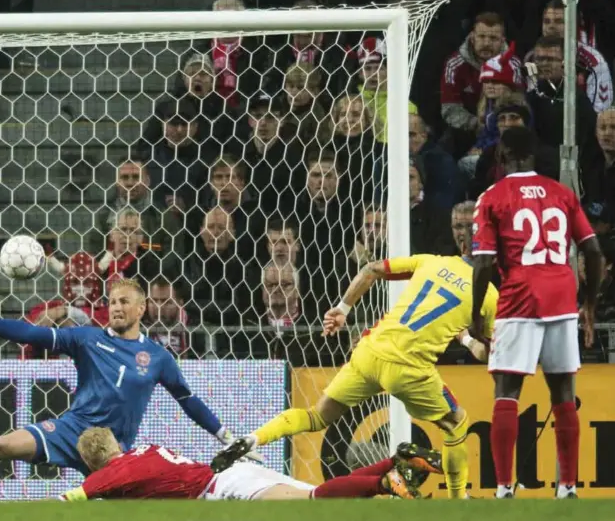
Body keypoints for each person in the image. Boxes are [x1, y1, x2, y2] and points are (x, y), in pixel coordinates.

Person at [211, 205, 497, 500]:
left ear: (463, 246)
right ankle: (458, 501)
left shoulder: (430, 262)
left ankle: (253, 438)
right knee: (456, 422)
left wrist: (343, 309)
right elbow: (483, 352)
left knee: (316, 416)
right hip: (409, 369)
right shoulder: (489, 296)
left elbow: (371, 268)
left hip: (369, 351)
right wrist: (478, 343)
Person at [0, 279, 252, 500]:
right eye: (112, 301)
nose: (116, 307)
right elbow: (34, 334)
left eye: (125, 301)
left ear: (142, 308)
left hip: (113, 448)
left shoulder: (158, 357)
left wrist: (225, 436)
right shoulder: (87, 339)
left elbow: (188, 400)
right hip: (72, 430)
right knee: (3, 445)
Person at [470, 126, 605, 500]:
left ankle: (502, 488)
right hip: (562, 294)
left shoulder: (492, 197)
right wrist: (590, 301)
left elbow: (482, 262)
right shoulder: (562, 193)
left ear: (501, 157)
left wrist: (476, 315)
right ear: (534, 155)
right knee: (563, 390)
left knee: (507, 390)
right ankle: (567, 487)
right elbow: (593, 251)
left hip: (520, 297)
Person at [59, 427, 429, 501]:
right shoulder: (145, 449)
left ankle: (387, 482)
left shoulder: (108, 475)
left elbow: (68, 501)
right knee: (324, 499)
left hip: (223, 488)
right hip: (230, 473)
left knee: (316, 499)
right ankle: (397, 460)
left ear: (93, 463)